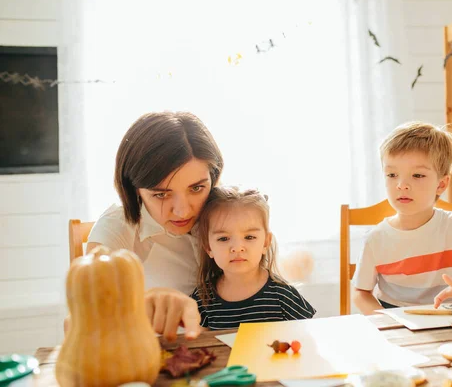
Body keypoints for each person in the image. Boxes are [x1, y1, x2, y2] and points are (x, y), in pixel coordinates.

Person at [84, 111, 224, 340]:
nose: (183, 211)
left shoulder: (231, 214)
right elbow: (86, 316)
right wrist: (139, 305)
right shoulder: (117, 226)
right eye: (161, 194)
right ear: (133, 189)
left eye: (197, 188)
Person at [351, 121, 452, 315]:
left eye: (417, 175)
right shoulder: (375, 239)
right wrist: (387, 321)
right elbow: (360, 293)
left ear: (441, 184)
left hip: (449, 318)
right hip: (397, 322)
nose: (402, 184)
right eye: (392, 174)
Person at [191, 186, 316, 330]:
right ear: (208, 247)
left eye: (249, 237)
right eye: (224, 238)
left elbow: (309, 339)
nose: (237, 248)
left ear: (265, 242)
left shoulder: (283, 296)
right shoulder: (202, 299)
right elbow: (197, 346)